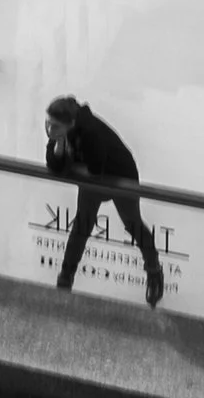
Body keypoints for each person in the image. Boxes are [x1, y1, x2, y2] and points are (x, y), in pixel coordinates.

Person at [43, 98, 165, 305]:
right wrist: (60, 143)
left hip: (120, 177)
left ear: (71, 123)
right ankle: (65, 278)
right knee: (82, 224)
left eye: (55, 126)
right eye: (48, 123)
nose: (49, 129)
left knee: (132, 223)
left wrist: (66, 164)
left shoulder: (91, 134)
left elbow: (93, 170)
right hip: (94, 176)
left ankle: (154, 271)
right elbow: (54, 164)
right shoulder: (61, 129)